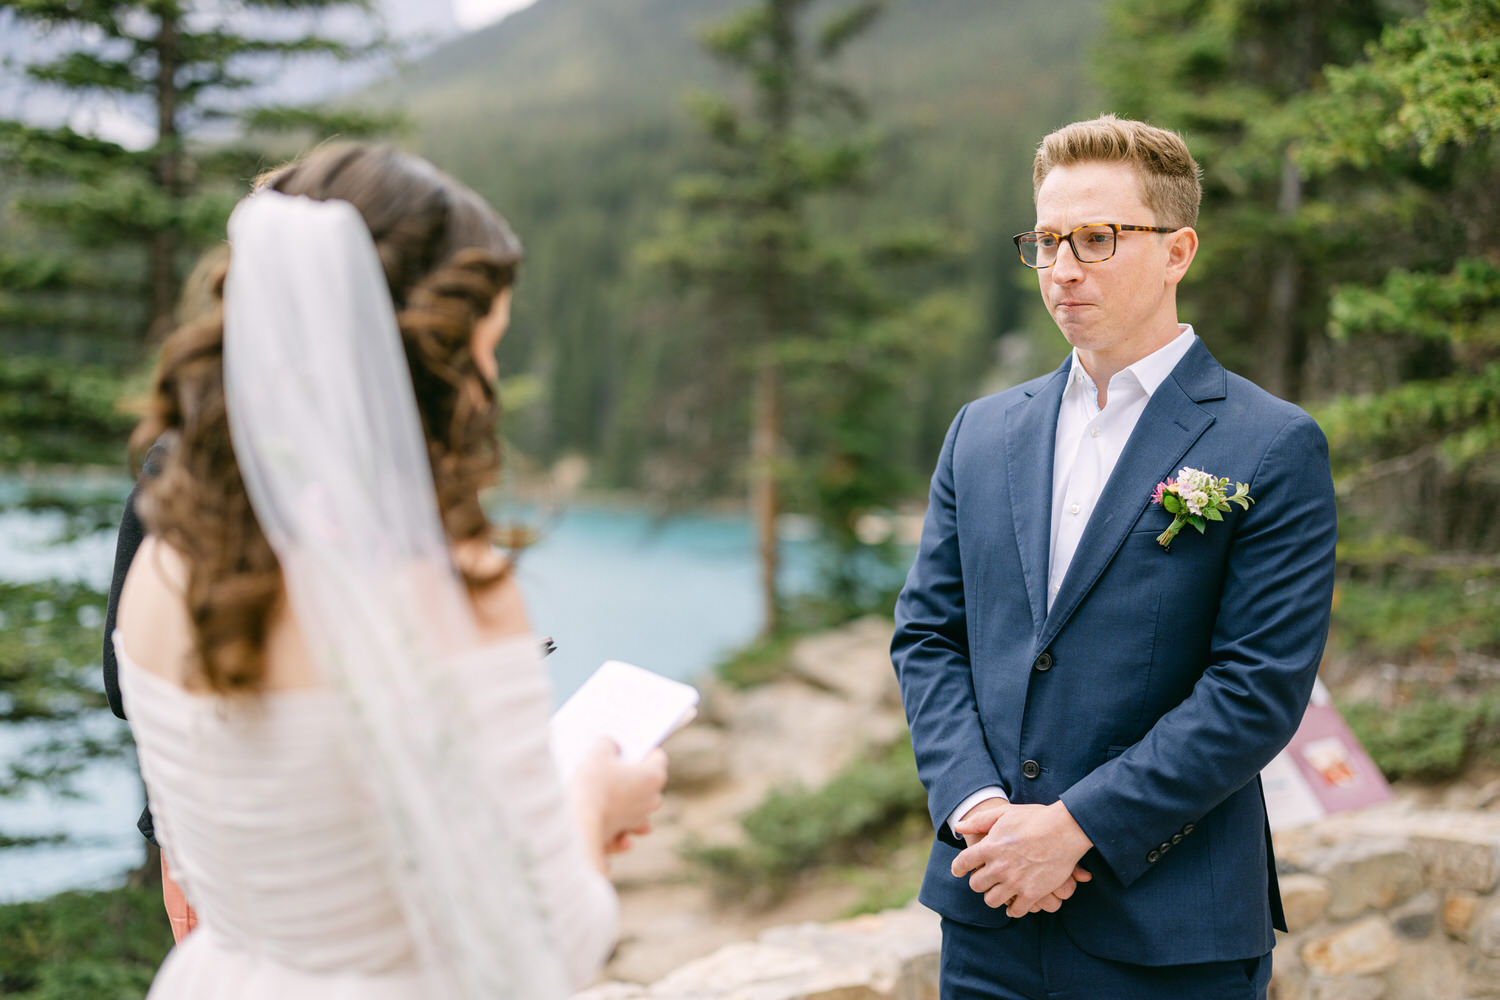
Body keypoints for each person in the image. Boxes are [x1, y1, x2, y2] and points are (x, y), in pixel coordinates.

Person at [111, 142, 667, 998]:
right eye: (488, 348)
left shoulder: (163, 563)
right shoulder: (449, 587)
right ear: (428, 360)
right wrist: (593, 800)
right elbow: (548, 944)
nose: (490, 380)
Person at [890, 115, 1337, 999]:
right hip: (989, 917)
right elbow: (929, 639)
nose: (1063, 269)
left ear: (1178, 252)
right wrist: (980, 812)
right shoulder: (981, 433)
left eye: (1097, 238)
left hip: (1172, 929)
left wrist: (1073, 830)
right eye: (1047, 240)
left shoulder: (1271, 443)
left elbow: (1255, 690)